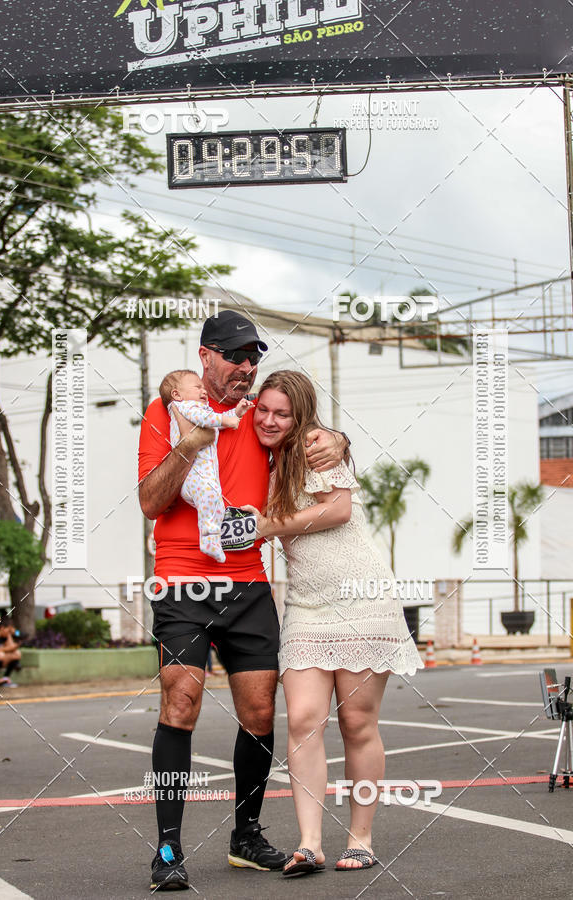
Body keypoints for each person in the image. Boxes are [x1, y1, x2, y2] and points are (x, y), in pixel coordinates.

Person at [138, 310, 348, 891]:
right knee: (180, 701)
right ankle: (168, 848)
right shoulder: (167, 412)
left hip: (249, 585)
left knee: (259, 712)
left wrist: (337, 437)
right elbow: (151, 502)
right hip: (183, 582)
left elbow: (309, 430)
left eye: (253, 357)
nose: (246, 367)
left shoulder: (260, 414)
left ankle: (245, 838)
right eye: (235, 356)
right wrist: (190, 444)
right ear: (206, 357)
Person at [243, 370, 423, 877]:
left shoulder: (318, 446)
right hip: (304, 606)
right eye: (264, 410)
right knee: (302, 720)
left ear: (301, 416)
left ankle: (361, 839)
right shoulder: (264, 453)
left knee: (356, 723)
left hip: (361, 599)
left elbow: (339, 509)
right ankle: (309, 844)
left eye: (283, 413)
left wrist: (264, 527)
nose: (270, 420)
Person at [160, 369, 253, 562]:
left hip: (204, 475)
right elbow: (209, 419)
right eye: (197, 387)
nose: (203, 391)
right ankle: (208, 540)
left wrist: (237, 412)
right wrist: (228, 419)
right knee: (210, 497)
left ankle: (213, 539)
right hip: (194, 477)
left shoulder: (200, 410)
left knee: (216, 504)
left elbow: (214, 421)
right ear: (177, 394)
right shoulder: (184, 408)